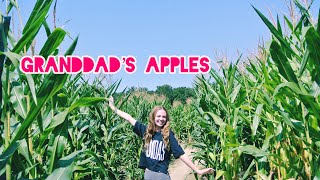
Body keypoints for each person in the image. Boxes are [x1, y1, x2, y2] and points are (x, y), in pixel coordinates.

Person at [108, 96, 213, 179]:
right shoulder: (146, 131)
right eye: (158, 116)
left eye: (164, 117)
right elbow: (129, 118)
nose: (161, 119)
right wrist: (114, 108)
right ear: (153, 117)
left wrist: (197, 170)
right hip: (148, 174)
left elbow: (180, 153)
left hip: (161, 175)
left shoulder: (168, 134)